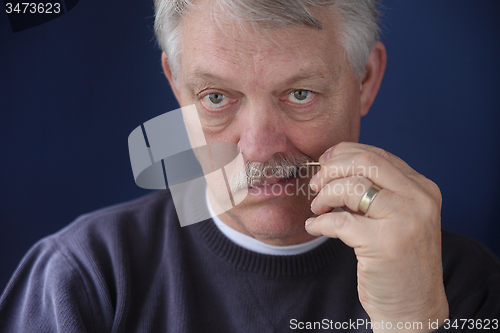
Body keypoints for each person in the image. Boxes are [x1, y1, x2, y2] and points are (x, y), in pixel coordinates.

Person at [0, 0, 499, 332]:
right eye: (216, 97)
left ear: (365, 79)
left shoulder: (461, 284)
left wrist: (415, 321)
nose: (259, 148)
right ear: (178, 88)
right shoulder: (82, 281)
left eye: (300, 94)